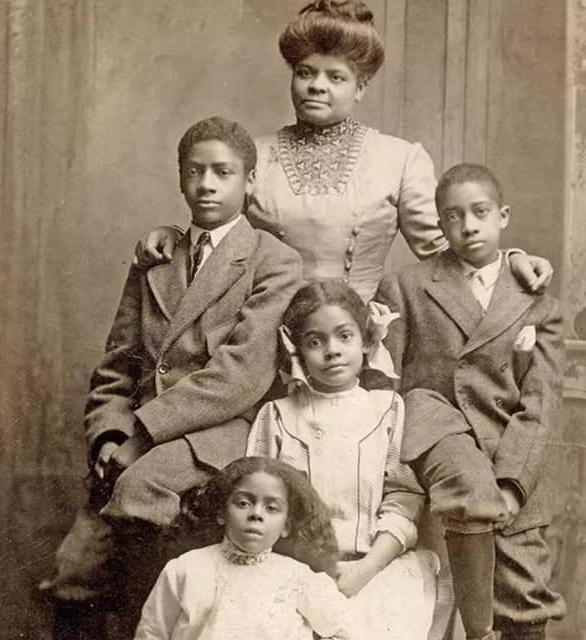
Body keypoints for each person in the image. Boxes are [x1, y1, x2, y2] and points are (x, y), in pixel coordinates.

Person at [44, 116, 303, 639]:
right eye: (194, 171)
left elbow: (239, 376)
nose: (207, 184)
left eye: (223, 172)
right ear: (180, 178)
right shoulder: (156, 259)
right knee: (74, 565)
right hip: (140, 434)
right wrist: (111, 433)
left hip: (220, 428)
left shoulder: (273, 262)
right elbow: (118, 364)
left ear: (249, 182)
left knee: (141, 491)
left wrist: (140, 435)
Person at [134, 0, 553, 304]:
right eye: (305, 73)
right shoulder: (253, 156)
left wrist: (510, 259)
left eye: (336, 76)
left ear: (361, 87)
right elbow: (216, 233)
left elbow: (449, 251)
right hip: (259, 334)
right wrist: (174, 236)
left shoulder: (398, 159)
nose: (317, 86)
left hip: (358, 340)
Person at [376, 163, 566, 640]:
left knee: (524, 599)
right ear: (440, 226)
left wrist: (512, 483)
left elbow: (540, 405)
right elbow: (387, 387)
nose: (468, 225)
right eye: (453, 216)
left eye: (480, 212)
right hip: (435, 464)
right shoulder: (408, 285)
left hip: (513, 461)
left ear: (502, 216)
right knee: (430, 605)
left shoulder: (537, 299)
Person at [247, 281, 448, 640]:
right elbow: (258, 500)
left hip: (374, 568)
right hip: (295, 568)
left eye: (344, 336)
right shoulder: (277, 415)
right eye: (315, 341)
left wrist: (367, 568)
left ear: (367, 342)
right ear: (296, 350)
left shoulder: (387, 409)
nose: (332, 351)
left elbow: (402, 500)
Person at [134, 457, 363, 640]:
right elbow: (152, 634)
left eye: (272, 508)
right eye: (244, 503)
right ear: (221, 513)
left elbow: (348, 629)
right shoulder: (184, 569)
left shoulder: (297, 577)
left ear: (286, 526)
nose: (256, 514)